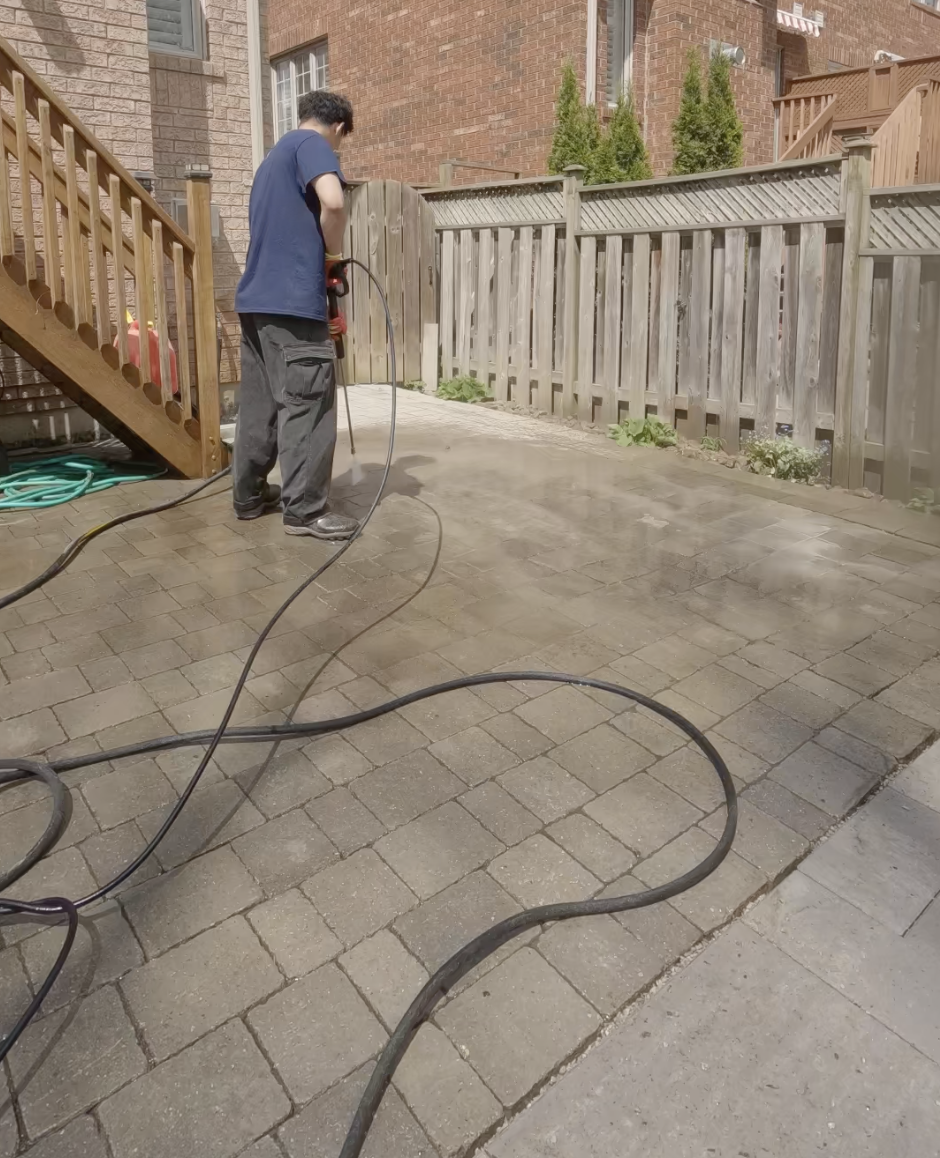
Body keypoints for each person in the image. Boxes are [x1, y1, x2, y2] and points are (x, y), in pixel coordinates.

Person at [232, 90, 358, 539]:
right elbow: (334, 201)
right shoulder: (313, 145)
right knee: (306, 405)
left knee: (260, 406)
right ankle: (304, 511)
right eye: (342, 139)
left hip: (256, 304)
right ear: (338, 126)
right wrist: (331, 253)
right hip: (290, 305)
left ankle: (248, 496)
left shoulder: (271, 160)